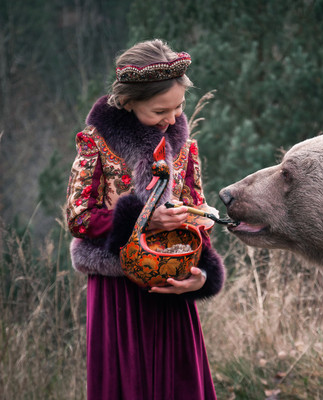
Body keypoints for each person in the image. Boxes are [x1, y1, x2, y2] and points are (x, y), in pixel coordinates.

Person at [65, 39, 224, 400]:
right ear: (127, 103)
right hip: (118, 290)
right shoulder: (97, 143)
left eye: (179, 107)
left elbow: (195, 210)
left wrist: (199, 276)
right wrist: (142, 221)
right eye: (158, 111)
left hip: (172, 283)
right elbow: (80, 217)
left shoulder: (183, 145)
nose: (171, 119)